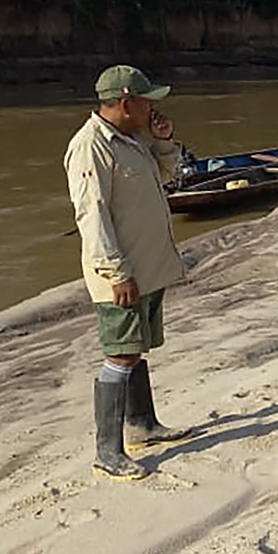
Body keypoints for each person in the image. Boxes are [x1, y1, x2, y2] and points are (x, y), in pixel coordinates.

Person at [64, 65, 190, 480]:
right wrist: (116, 272)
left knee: (135, 348)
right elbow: (92, 216)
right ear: (126, 102)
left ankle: (143, 425)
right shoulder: (90, 147)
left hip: (146, 267)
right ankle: (108, 453)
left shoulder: (131, 141)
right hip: (121, 273)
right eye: (146, 100)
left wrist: (164, 142)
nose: (153, 107)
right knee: (120, 353)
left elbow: (163, 180)